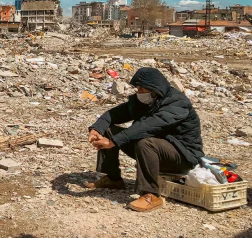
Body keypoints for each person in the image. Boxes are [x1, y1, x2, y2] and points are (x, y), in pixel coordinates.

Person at [85, 67, 203, 212]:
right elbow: (114, 114)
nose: (139, 93)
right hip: (156, 152)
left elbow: (147, 126)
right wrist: (96, 128)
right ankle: (113, 179)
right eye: (138, 89)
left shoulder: (177, 103)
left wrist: (113, 142)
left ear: (155, 89)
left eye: (143, 90)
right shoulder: (145, 101)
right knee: (109, 131)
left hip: (183, 156)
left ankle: (151, 194)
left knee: (145, 142)